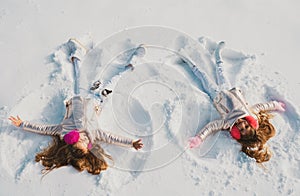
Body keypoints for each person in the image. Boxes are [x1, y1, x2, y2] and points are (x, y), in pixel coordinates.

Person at [9, 38, 143, 175]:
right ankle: (131, 65)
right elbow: (112, 138)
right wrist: (131, 143)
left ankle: (78, 54)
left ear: (72, 141)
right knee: (112, 83)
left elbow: (43, 129)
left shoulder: (63, 130)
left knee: (80, 77)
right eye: (86, 144)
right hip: (97, 100)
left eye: (79, 141)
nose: (83, 139)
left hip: (80, 98)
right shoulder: (95, 134)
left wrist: (22, 124)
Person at [187, 41, 285, 163]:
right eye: (246, 126)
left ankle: (188, 61)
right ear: (250, 124)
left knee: (203, 76)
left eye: (242, 130)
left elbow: (211, 127)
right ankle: (218, 54)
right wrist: (275, 105)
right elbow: (262, 106)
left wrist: (199, 138)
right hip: (228, 89)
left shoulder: (227, 123)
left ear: (238, 133)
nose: (242, 125)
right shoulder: (250, 113)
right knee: (220, 70)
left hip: (216, 95)